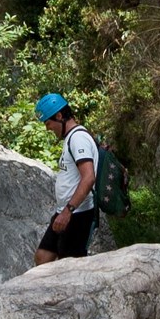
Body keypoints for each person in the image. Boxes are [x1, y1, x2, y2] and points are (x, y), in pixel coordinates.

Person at [33, 93, 99, 264]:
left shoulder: (78, 138)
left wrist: (68, 211)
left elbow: (88, 177)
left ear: (59, 116)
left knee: (69, 267)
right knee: (43, 257)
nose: (47, 128)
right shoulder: (71, 138)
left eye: (48, 123)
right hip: (65, 211)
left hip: (77, 214)